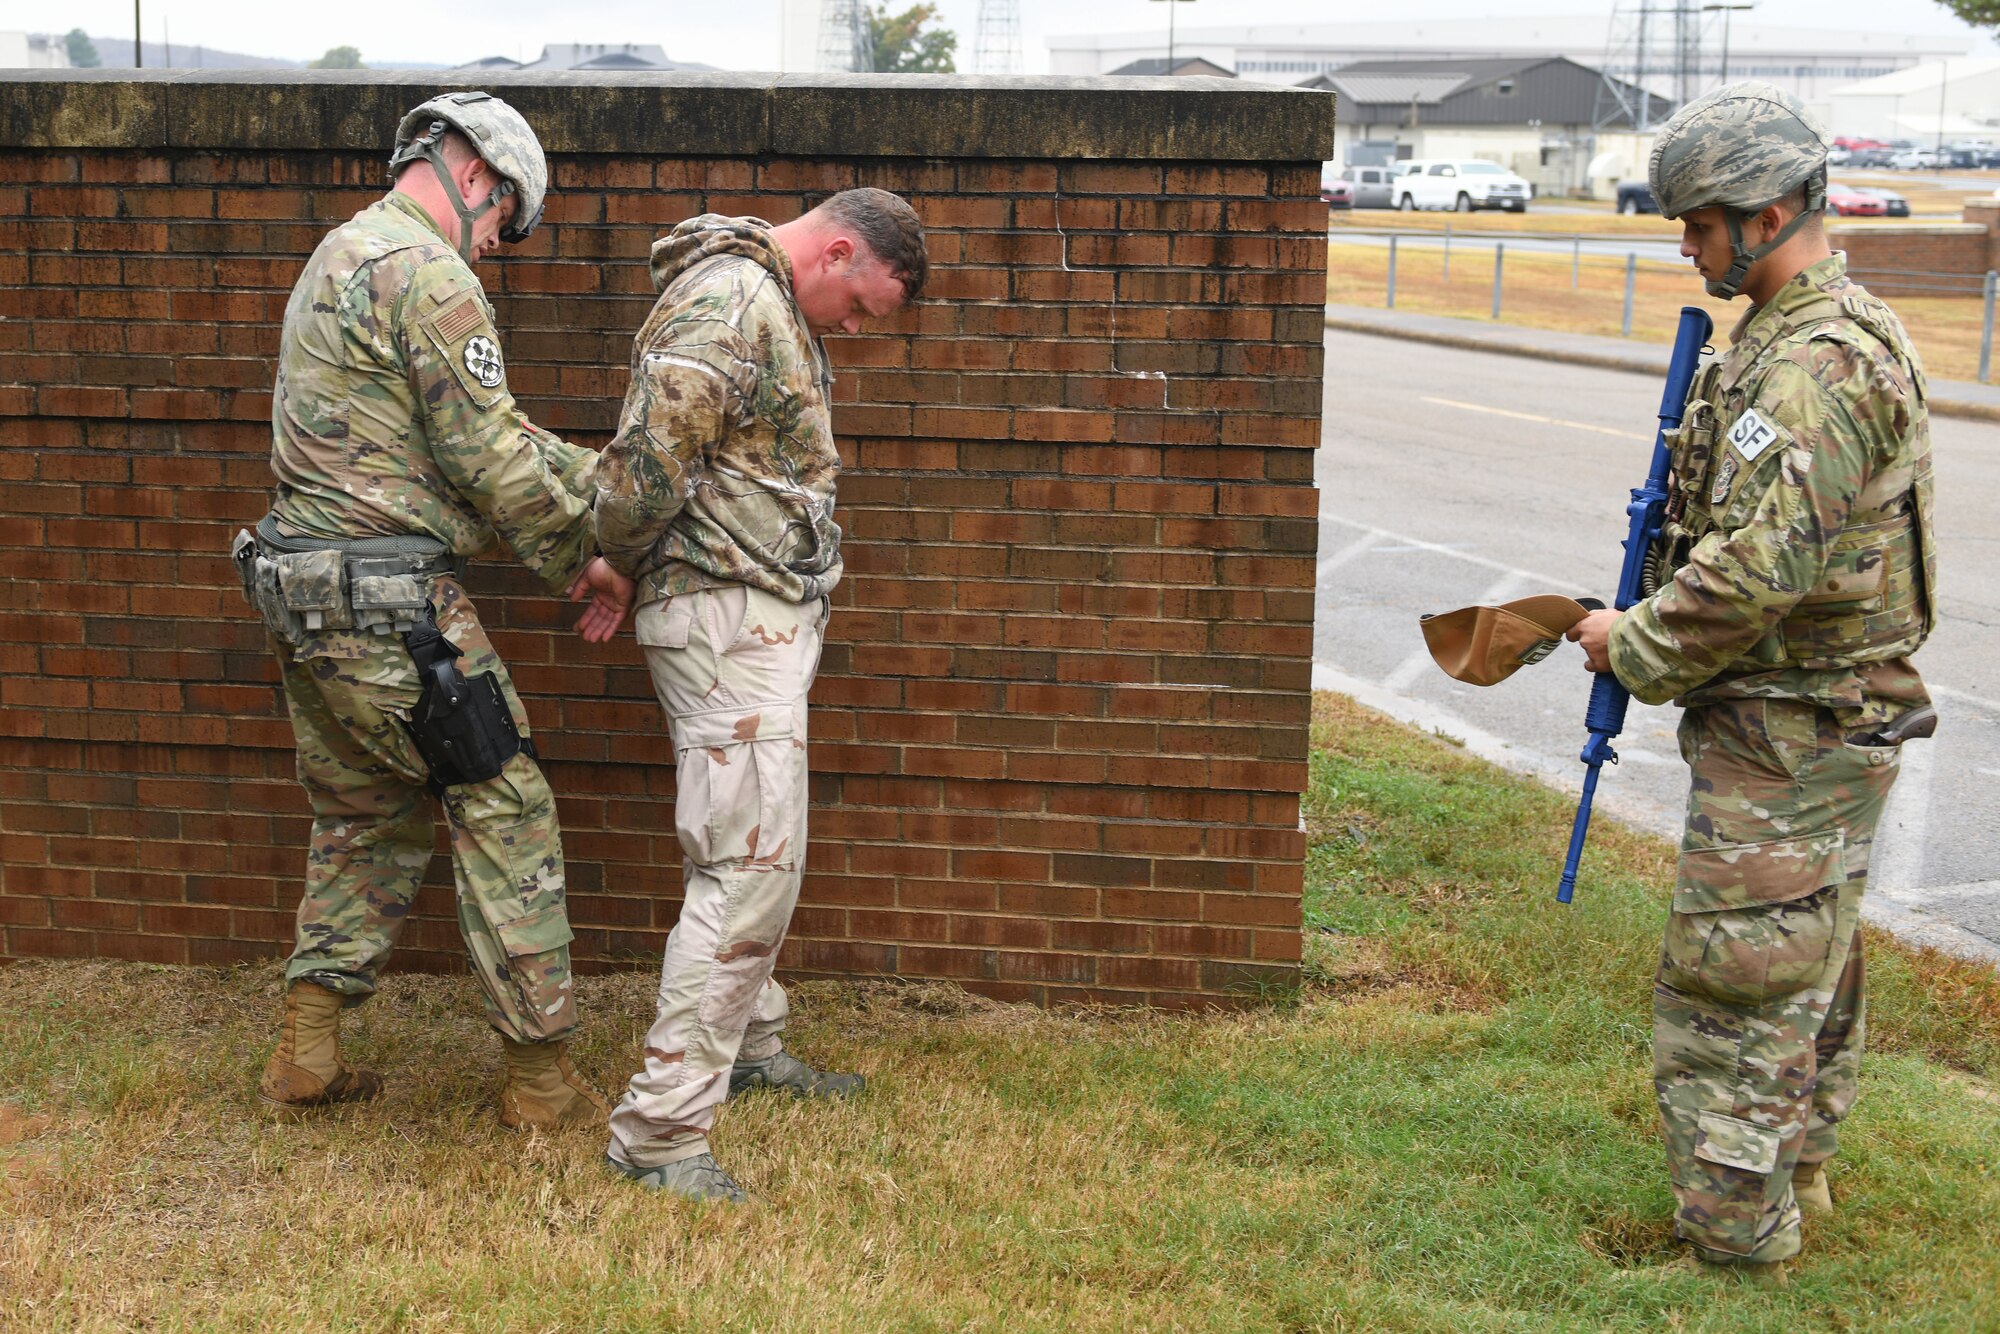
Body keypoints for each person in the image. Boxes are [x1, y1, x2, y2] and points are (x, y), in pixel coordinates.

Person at [1567, 82, 1937, 1269]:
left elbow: (1749, 572)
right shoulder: (1802, 338)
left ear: (1767, 212)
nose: (1686, 244)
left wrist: (1627, 642)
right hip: (1807, 723)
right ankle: (1801, 1176)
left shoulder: (1814, 367)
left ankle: (1734, 1240)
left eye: (1698, 223)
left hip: (1793, 729)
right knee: (1805, 964)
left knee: (1731, 988)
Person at [238, 91, 634, 1128]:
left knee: (364, 812)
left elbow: (442, 436)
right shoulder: (429, 273)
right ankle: (542, 1085)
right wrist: (582, 560)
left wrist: (591, 471)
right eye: (505, 224)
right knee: (505, 807)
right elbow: (485, 454)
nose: (497, 247)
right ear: (475, 179)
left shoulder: (342, 251)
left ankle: (307, 1054)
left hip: (300, 592)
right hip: (389, 605)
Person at [595, 188, 928, 1201]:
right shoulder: (734, 301)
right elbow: (646, 464)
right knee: (746, 865)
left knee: (763, 850)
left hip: (753, 611)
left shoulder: (763, 297)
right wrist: (612, 558)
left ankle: (749, 1044)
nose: (857, 329)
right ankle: (660, 1132)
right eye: (862, 306)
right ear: (836, 252)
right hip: (723, 615)